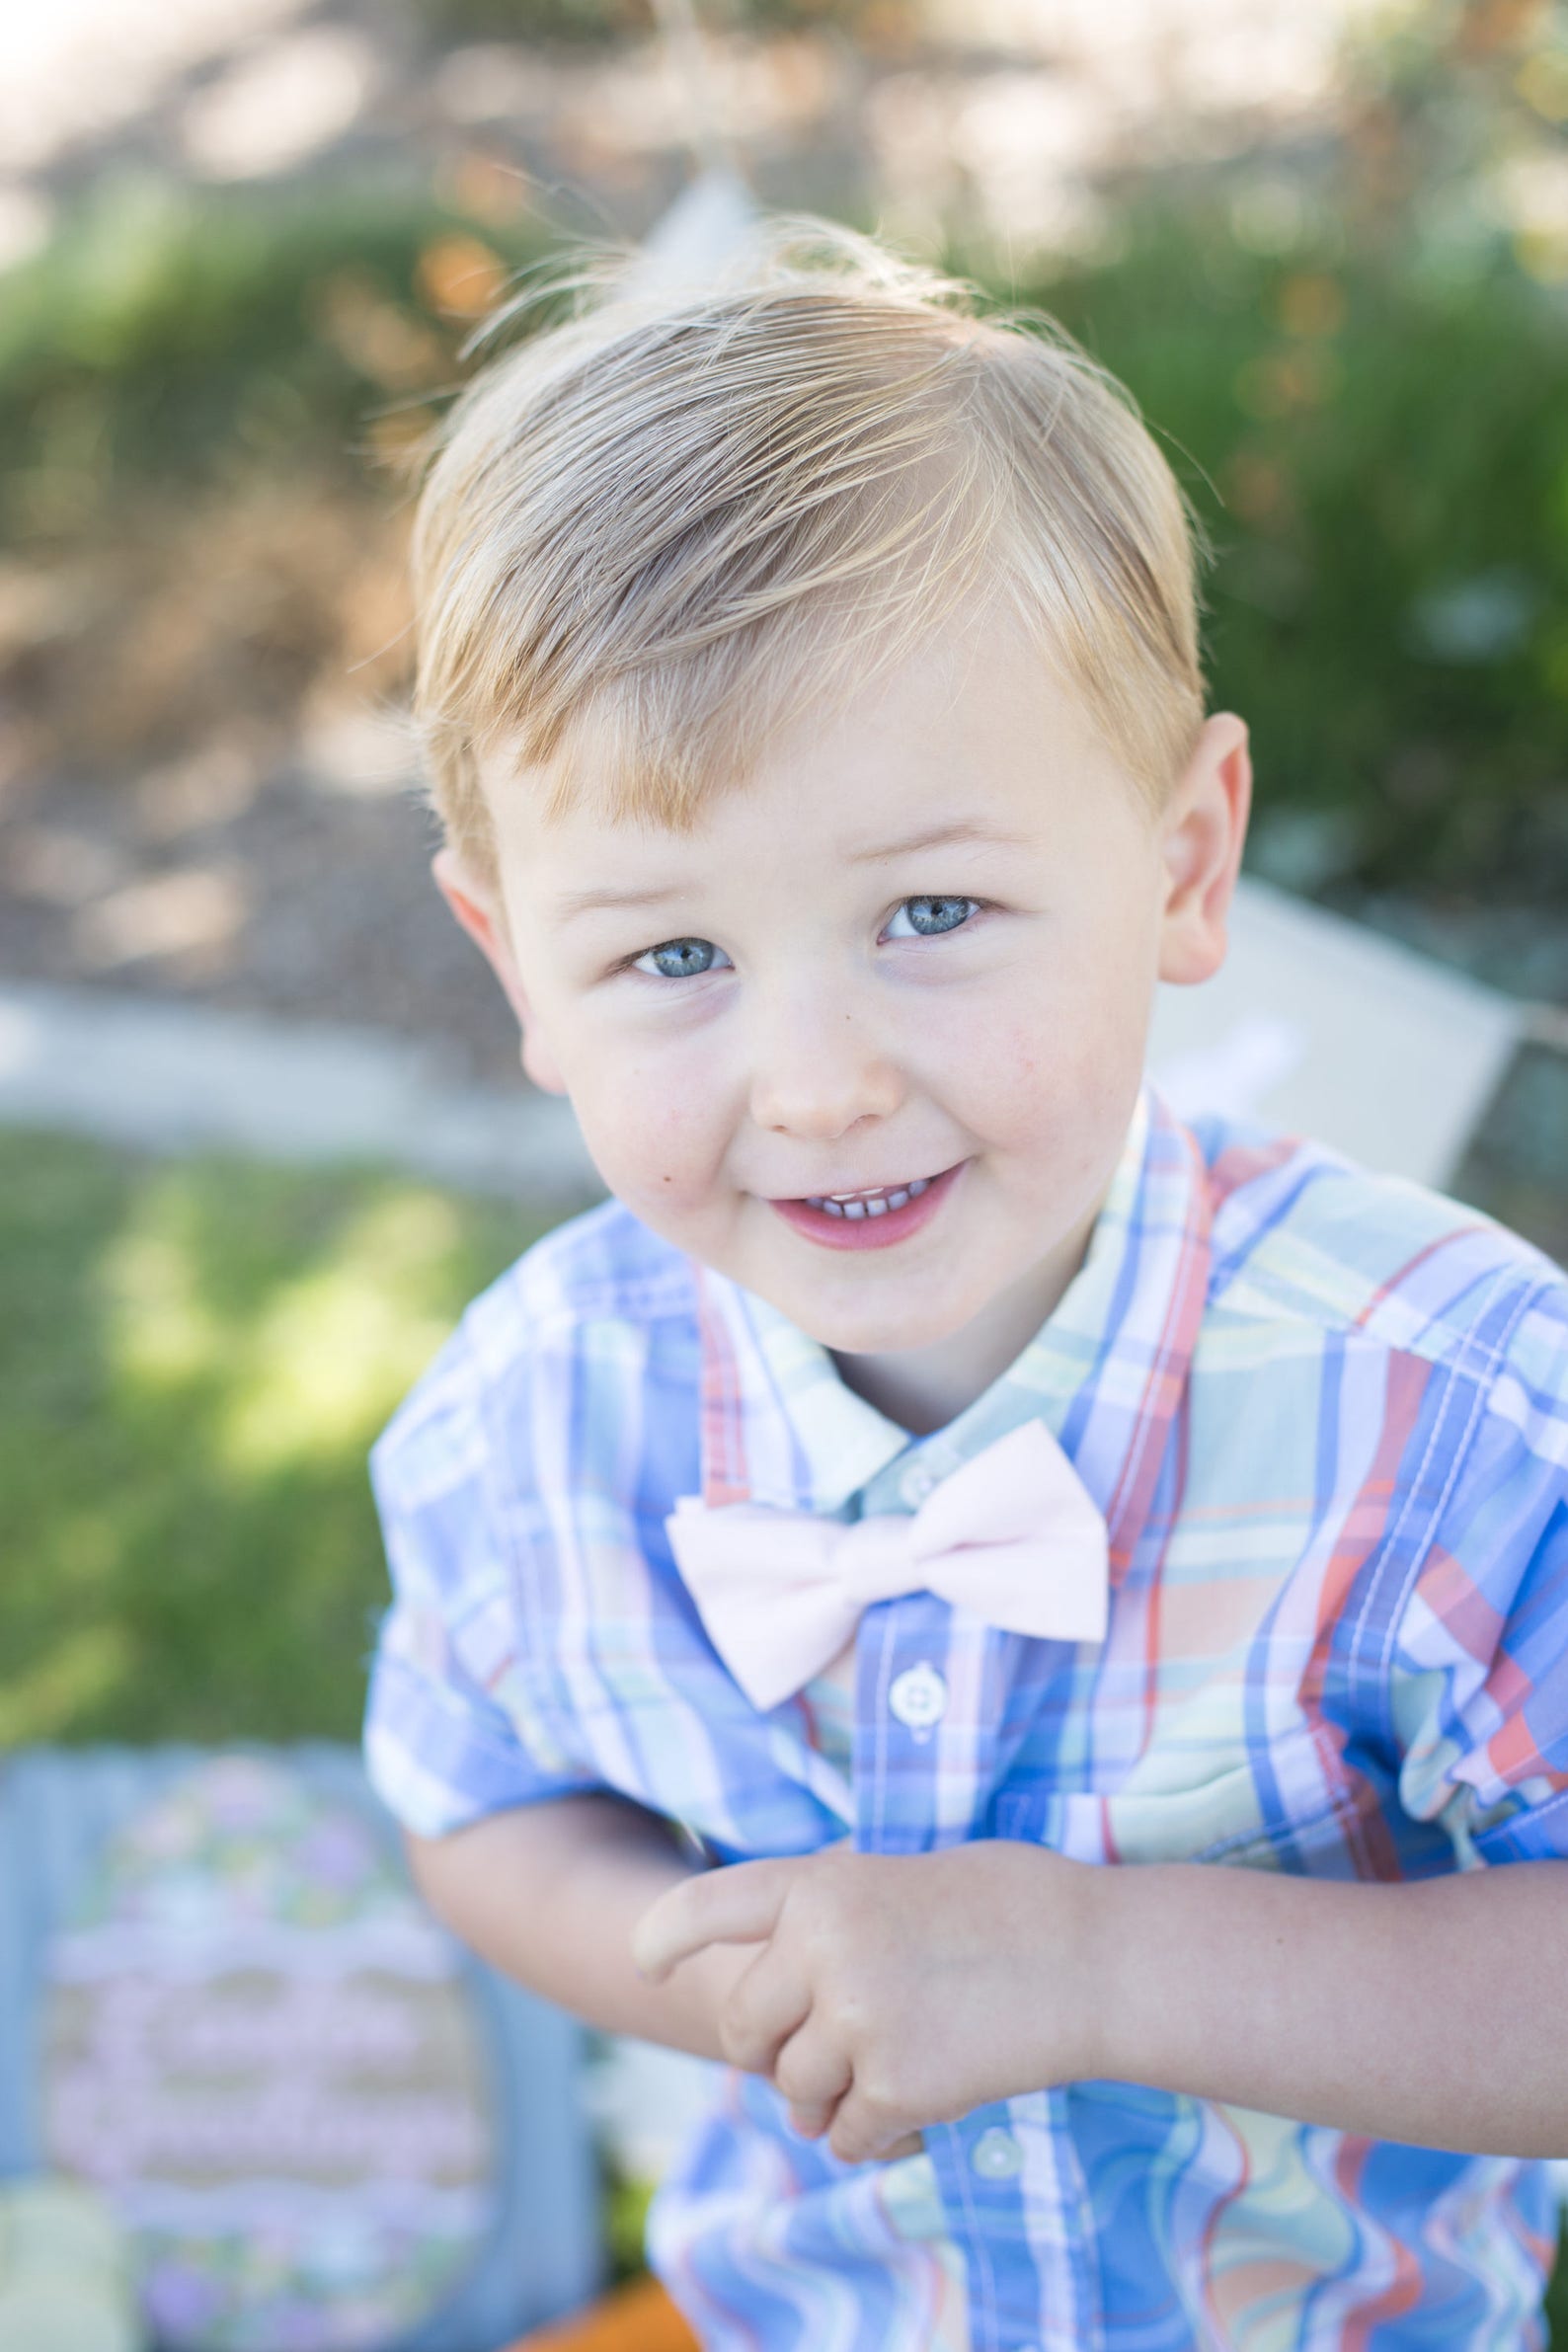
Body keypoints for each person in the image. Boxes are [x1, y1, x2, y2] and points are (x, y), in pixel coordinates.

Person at [362, 219, 1568, 2351]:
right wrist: (743, 1970)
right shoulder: (528, 1423)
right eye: (669, 958)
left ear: (1180, 865)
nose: (817, 1086)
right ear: (512, 970)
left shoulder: (1443, 1411)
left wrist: (1090, 1970)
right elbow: (474, 1807)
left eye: (930, 909)